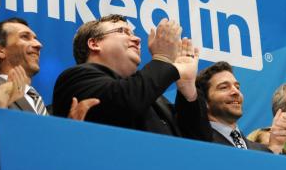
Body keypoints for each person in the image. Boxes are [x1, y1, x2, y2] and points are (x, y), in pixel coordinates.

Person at [52, 15, 210, 141]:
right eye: (122, 31)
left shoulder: (157, 100)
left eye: (133, 33)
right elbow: (125, 103)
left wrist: (188, 90)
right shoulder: (74, 79)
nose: (137, 39)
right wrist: (162, 58)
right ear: (94, 44)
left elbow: (201, 144)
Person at [0, 17, 97, 119]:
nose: (39, 45)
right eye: (25, 37)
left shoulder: (36, 100)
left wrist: (69, 127)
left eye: (35, 38)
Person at [195, 61, 286, 154]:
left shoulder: (263, 150)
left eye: (237, 87)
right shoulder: (197, 142)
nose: (235, 92)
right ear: (204, 101)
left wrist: (283, 148)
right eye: (224, 87)